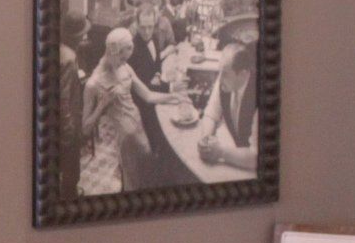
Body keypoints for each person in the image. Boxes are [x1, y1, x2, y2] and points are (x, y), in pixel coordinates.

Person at [81, 27, 184, 195]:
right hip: (124, 139)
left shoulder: (126, 68)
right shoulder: (93, 84)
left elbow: (148, 96)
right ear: (112, 52)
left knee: (147, 173)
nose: (124, 62)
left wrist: (174, 97)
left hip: (139, 127)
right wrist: (102, 105)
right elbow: (85, 128)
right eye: (122, 58)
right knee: (132, 181)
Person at [196, 41, 259, 174]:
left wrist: (221, 152)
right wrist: (206, 141)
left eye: (225, 73)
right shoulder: (224, 81)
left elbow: (256, 156)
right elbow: (211, 114)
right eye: (220, 71)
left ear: (243, 74)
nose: (220, 78)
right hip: (238, 156)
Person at [58, 13, 91, 198]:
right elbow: (63, 99)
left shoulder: (62, 50)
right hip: (67, 126)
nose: (85, 37)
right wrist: (69, 130)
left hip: (62, 124)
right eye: (83, 34)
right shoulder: (69, 58)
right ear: (76, 36)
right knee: (71, 170)